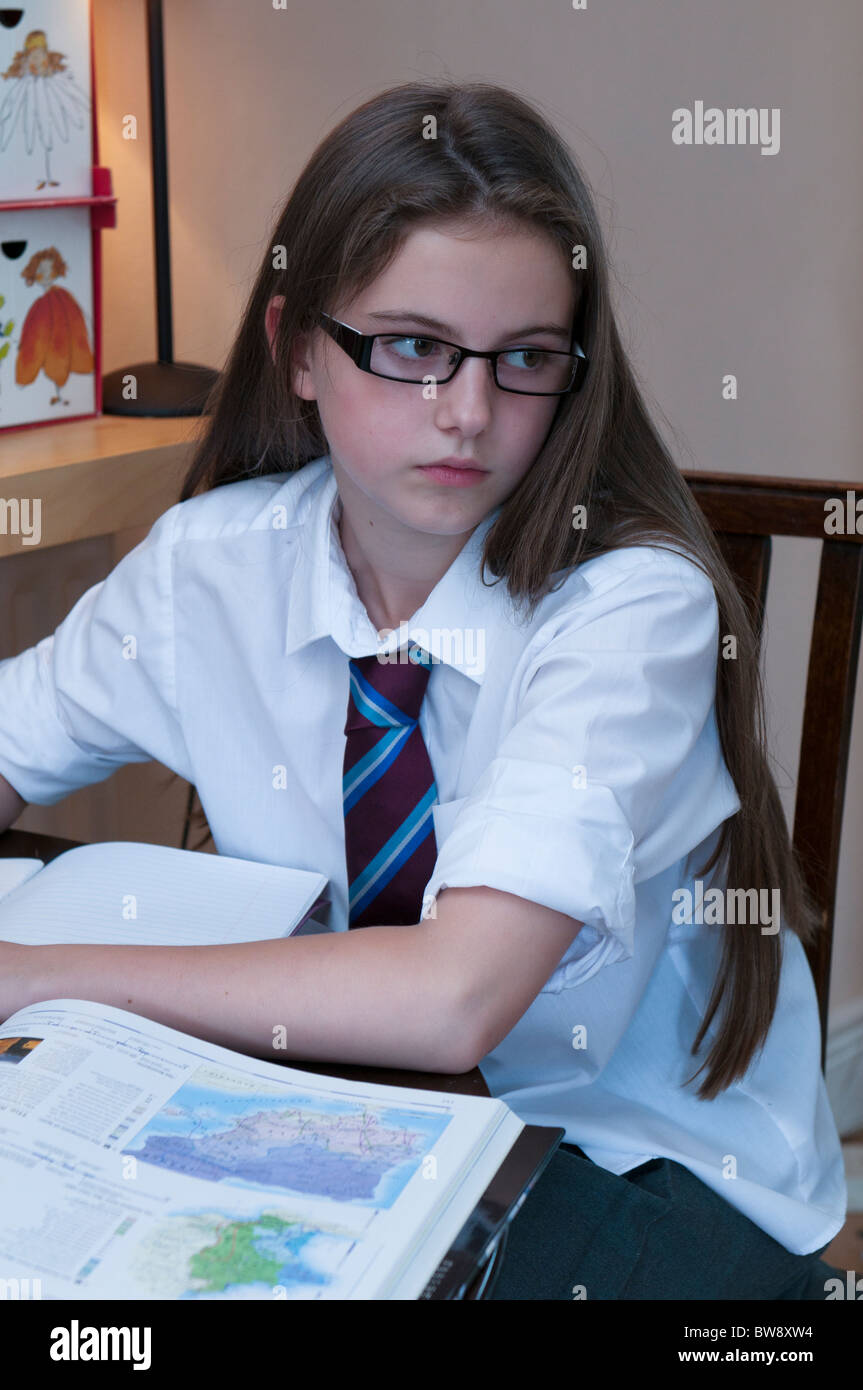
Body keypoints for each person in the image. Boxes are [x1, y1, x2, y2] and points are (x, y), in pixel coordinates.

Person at [0, 80, 848, 1299]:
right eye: (409, 347)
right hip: (352, 1118)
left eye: (523, 360)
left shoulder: (631, 606)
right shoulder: (215, 565)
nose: (465, 414)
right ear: (298, 347)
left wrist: (37, 976)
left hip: (626, 1156)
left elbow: (455, 999)